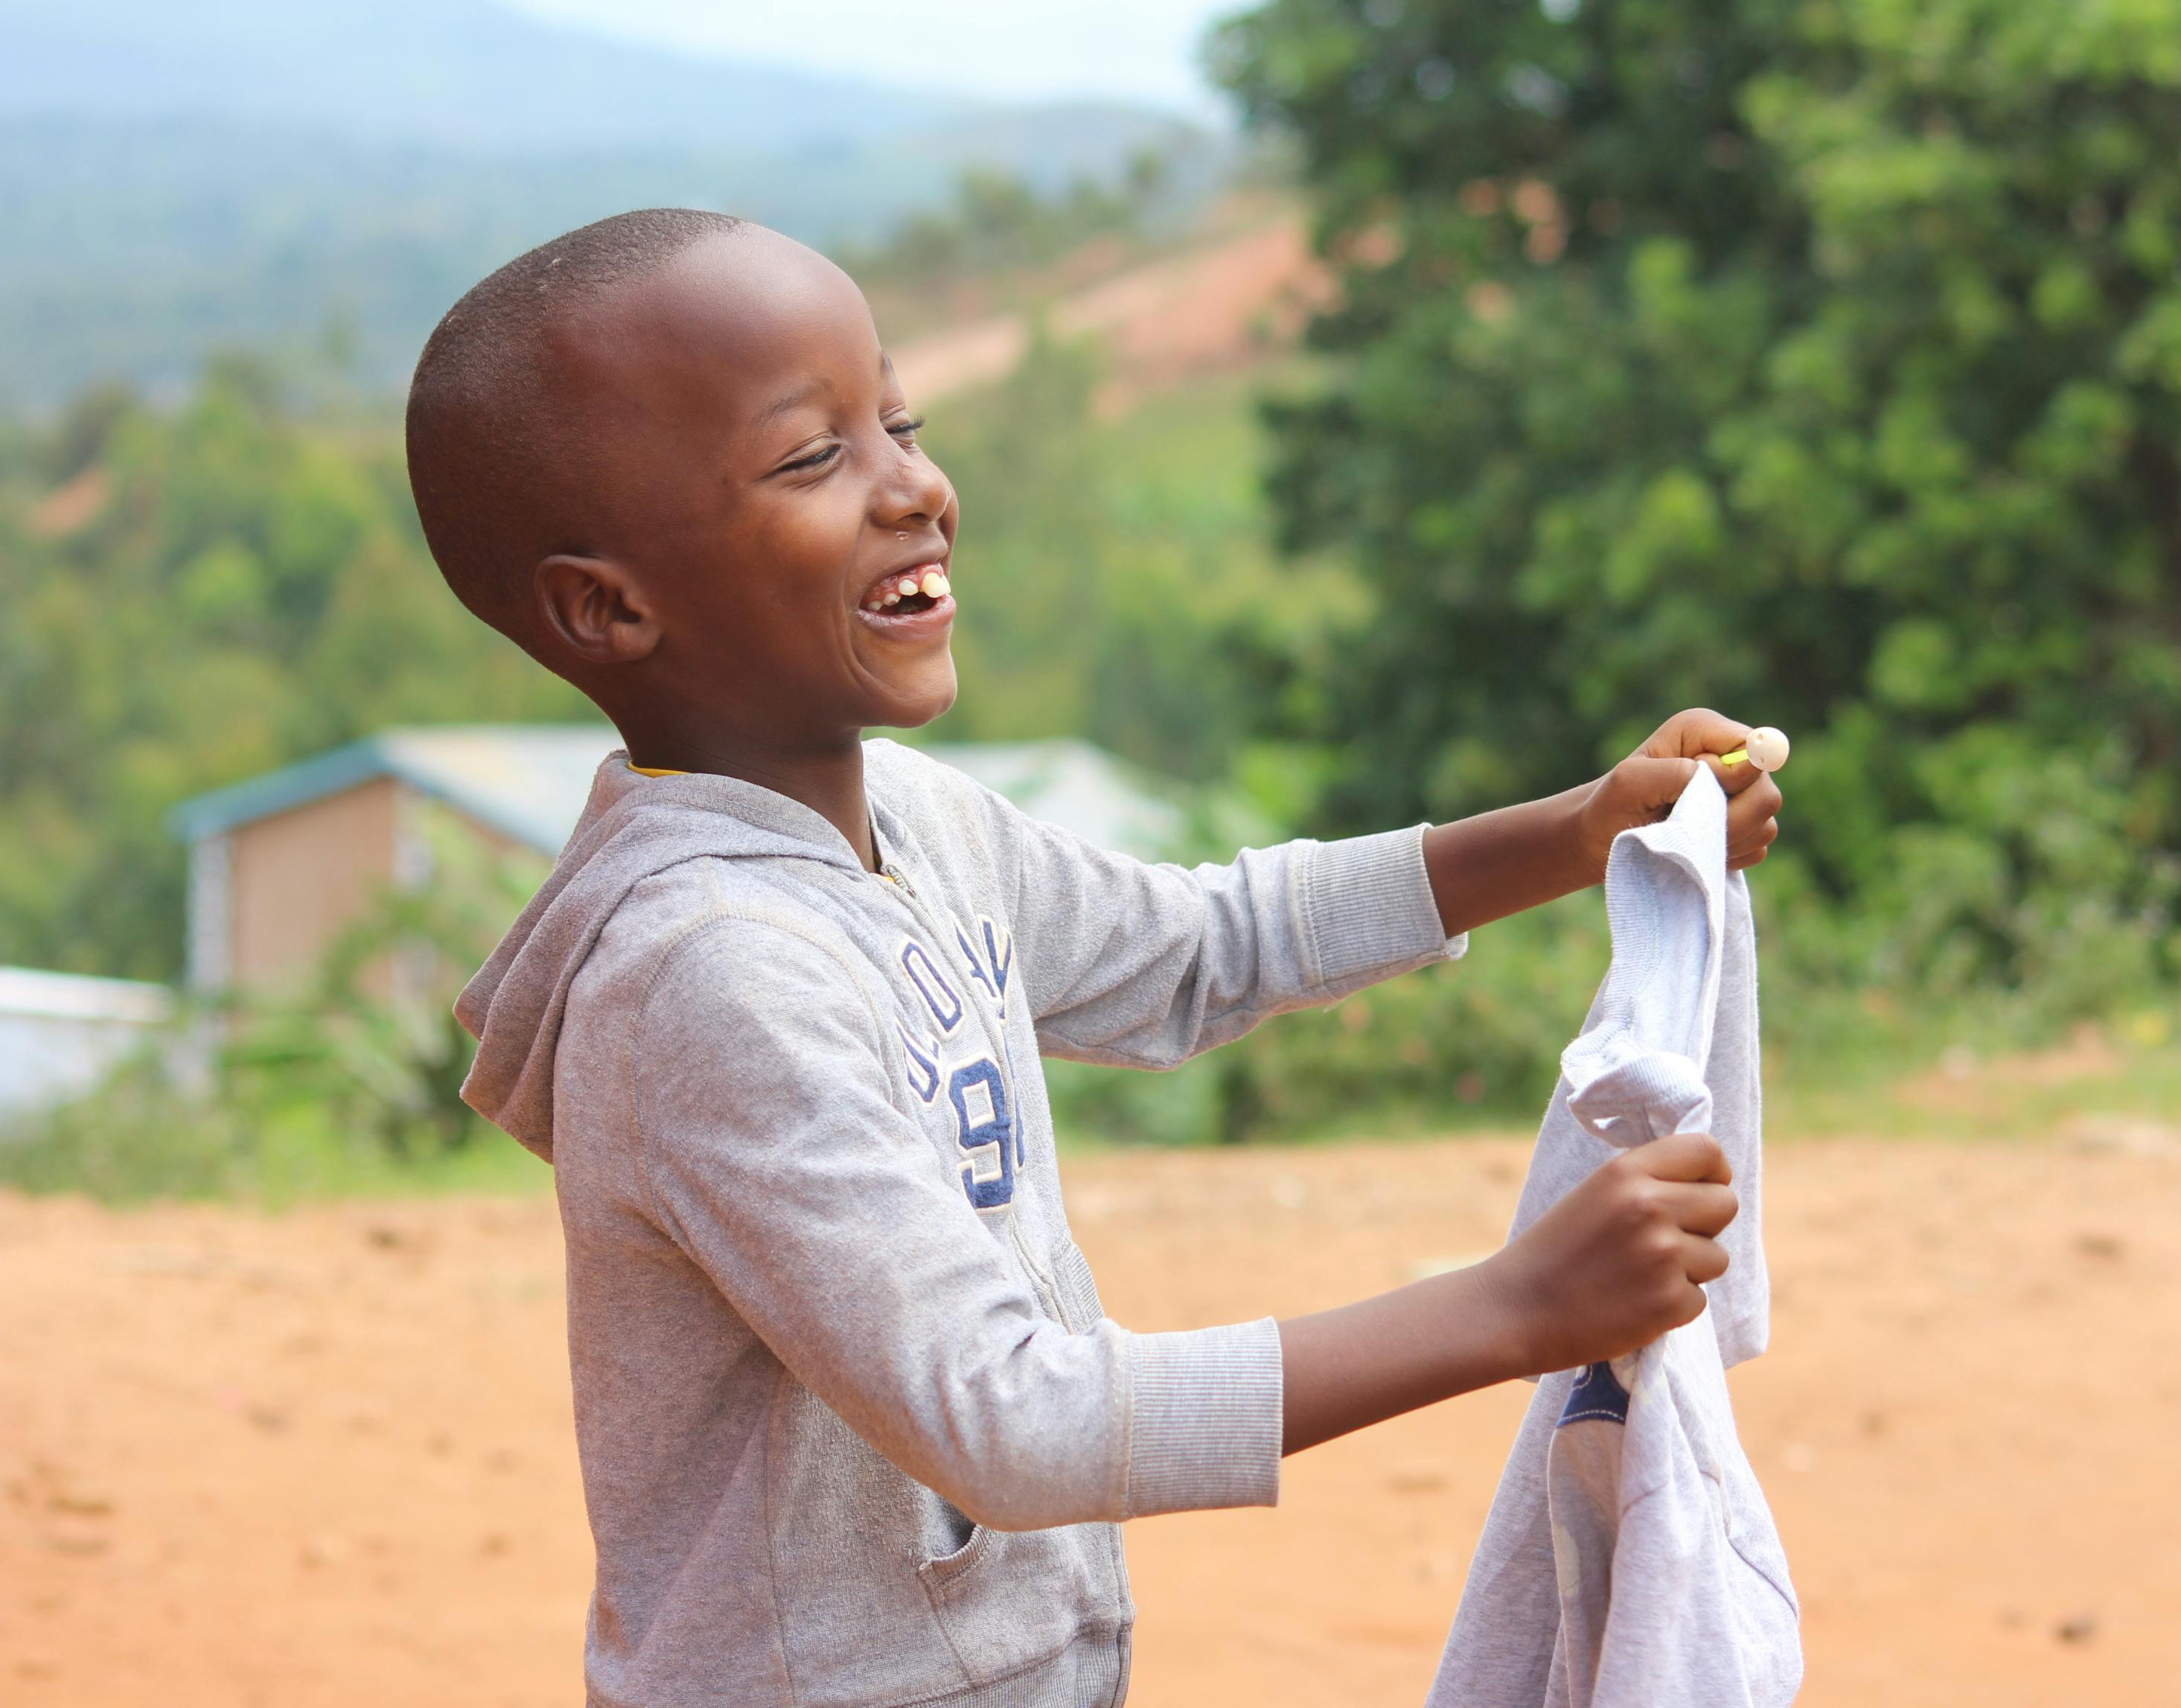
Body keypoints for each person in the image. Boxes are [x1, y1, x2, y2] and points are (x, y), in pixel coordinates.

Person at [405, 207, 1785, 1708]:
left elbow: (1202, 946)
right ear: (609, 608)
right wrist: (1511, 1309)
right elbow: (1010, 1420)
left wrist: (1573, 835)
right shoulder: (709, 975)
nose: (915, 489)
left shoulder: (922, 826)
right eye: (816, 459)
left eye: (901, 423)